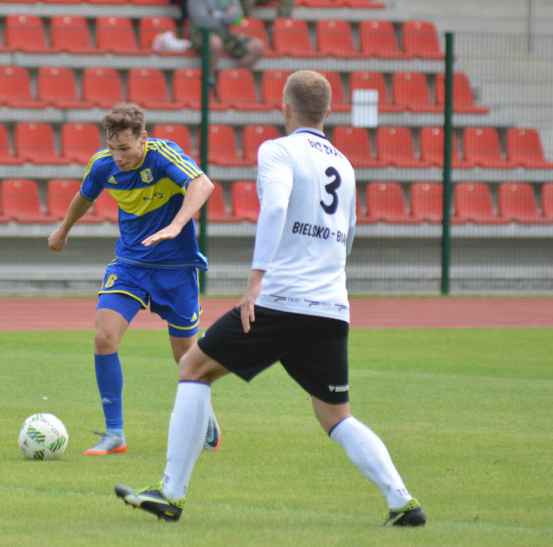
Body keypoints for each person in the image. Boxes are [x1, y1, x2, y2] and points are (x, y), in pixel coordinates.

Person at [114, 70, 426, 529]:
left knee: (193, 368)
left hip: (281, 299)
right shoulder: (344, 162)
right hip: (330, 305)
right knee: (336, 414)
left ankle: (169, 494)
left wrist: (256, 279)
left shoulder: (277, 150)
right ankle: (403, 502)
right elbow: (349, 234)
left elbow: (276, 207)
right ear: (329, 112)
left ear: (284, 107)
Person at [47, 103, 220, 456]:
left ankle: (206, 411)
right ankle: (115, 433)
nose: (119, 157)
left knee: (186, 357)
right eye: (113, 148)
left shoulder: (162, 155)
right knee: (104, 336)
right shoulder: (102, 165)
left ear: (143, 139)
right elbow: (84, 196)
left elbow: (202, 184)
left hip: (176, 267)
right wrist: (63, 230)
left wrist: (175, 225)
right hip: (130, 265)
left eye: (125, 149)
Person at [187, 0, 262, 67]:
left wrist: (215, 14)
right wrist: (226, 16)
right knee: (215, 43)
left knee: (257, 45)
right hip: (202, 35)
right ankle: (210, 81)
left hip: (225, 34)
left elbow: (238, 18)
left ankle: (234, 78)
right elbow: (202, 21)